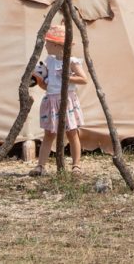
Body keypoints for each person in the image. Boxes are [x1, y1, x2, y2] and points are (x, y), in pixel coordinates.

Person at [30, 25, 87, 176]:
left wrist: (68, 77)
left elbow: (83, 79)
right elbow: (47, 86)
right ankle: (41, 165)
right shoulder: (49, 61)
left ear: (56, 45)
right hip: (51, 101)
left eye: (48, 43)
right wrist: (41, 81)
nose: (46, 45)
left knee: (72, 133)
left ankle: (76, 165)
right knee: (49, 133)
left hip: (66, 100)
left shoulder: (72, 62)